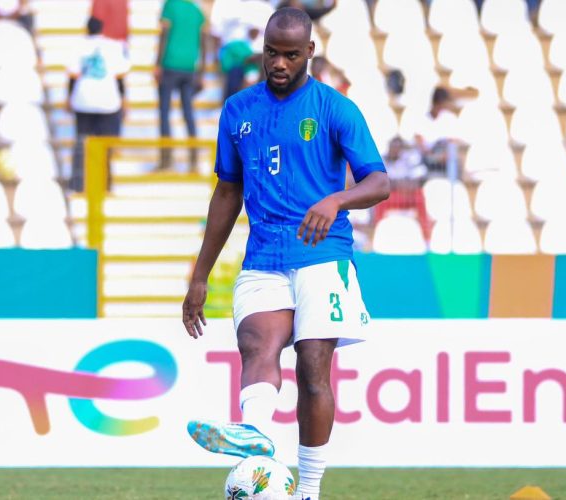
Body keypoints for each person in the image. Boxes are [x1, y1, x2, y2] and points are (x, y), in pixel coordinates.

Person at [181, 8, 390, 500]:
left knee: (313, 369)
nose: (279, 63)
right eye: (272, 52)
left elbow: (380, 182)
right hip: (263, 255)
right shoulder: (238, 110)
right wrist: (199, 276)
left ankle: (308, 490)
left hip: (323, 253)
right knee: (255, 344)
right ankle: (254, 433)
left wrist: (336, 200)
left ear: (309, 52)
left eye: (291, 55)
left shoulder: (335, 109)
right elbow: (227, 193)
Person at [67, 16, 131, 192]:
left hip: (83, 100)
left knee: (81, 143)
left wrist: (69, 97)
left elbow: (72, 75)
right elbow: (120, 77)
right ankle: (106, 183)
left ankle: (78, 183)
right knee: (106, 145)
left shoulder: (78, 46)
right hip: (108, 101)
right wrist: (124, 99)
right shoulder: (113, 46)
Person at [155, 0, 206, 171]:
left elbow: (164, 35)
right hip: (190, 67)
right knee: (188, 113)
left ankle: (166, 160)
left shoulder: (170, 5)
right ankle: (194, 160)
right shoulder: (197, 11)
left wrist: (157, 63)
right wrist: (202, 72)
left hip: (170, 63)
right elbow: (204, 42)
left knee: (164, 112)